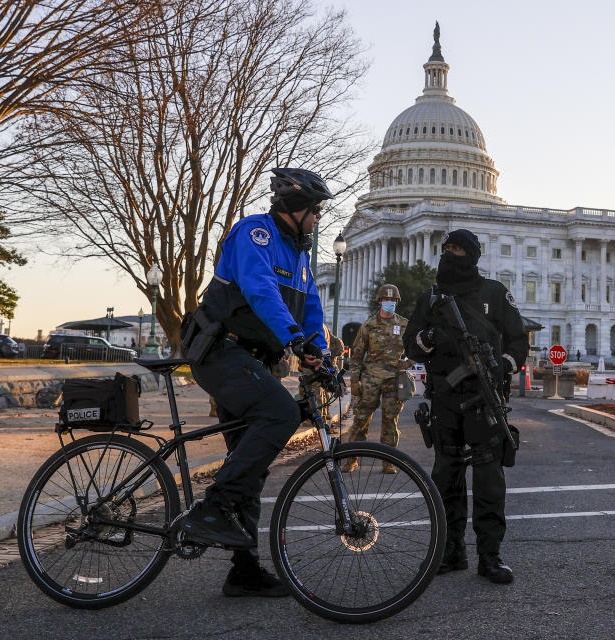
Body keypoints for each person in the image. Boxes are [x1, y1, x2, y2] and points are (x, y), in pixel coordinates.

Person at [176, 167, 333, 597]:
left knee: (250, 465)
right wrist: (294, 340)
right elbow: (260, 289)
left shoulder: (301, 256)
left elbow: (311, 311)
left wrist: (322, 356)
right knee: (279, 412)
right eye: (315, 211)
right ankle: (212, 509)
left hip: (252, 361)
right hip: (220, 351)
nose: (318, 219)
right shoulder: (254, 234)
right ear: (295, 208)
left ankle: (243, 571)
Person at [404, 229, 529, 585]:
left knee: (489, 479)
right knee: (447, 476)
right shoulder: (430, 299)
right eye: (446, 249)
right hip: (445, 397)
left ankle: (490, 555)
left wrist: (503, 365)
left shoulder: (494, 294)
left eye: (457, 249)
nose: (449, 254)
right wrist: (426, 338)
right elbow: (410, 344)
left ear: (472, 255)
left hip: (485, 398)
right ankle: (451, 551)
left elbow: (518, 342)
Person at [343, 284, 413, 474]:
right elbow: (356, 355)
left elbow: (417, 347)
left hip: (393, 379)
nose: (389, 303)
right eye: (386, 299)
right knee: (361, 420)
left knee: (390, 422)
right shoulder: (369, 325)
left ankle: (388, 462)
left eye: (393, 300)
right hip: (370, 380)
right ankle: (350, 460)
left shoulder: (405, 325)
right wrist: (354, 381)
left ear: (396, 302)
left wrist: (406, 364)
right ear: (380, 301)